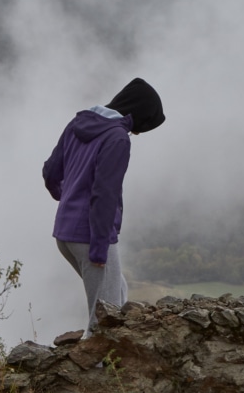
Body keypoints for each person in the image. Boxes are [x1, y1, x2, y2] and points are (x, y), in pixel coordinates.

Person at [42, 78, 165, 333]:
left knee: (118, 290)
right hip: (91, 236)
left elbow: (51, 171)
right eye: (142, 126)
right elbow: (105, 193)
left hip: (65, 234)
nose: (138, 133)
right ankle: (94, 370)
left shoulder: (78, 123)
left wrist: (67, 199)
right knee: (105, 320)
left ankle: (104, 366)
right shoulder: (117, 137)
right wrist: (99, 246)